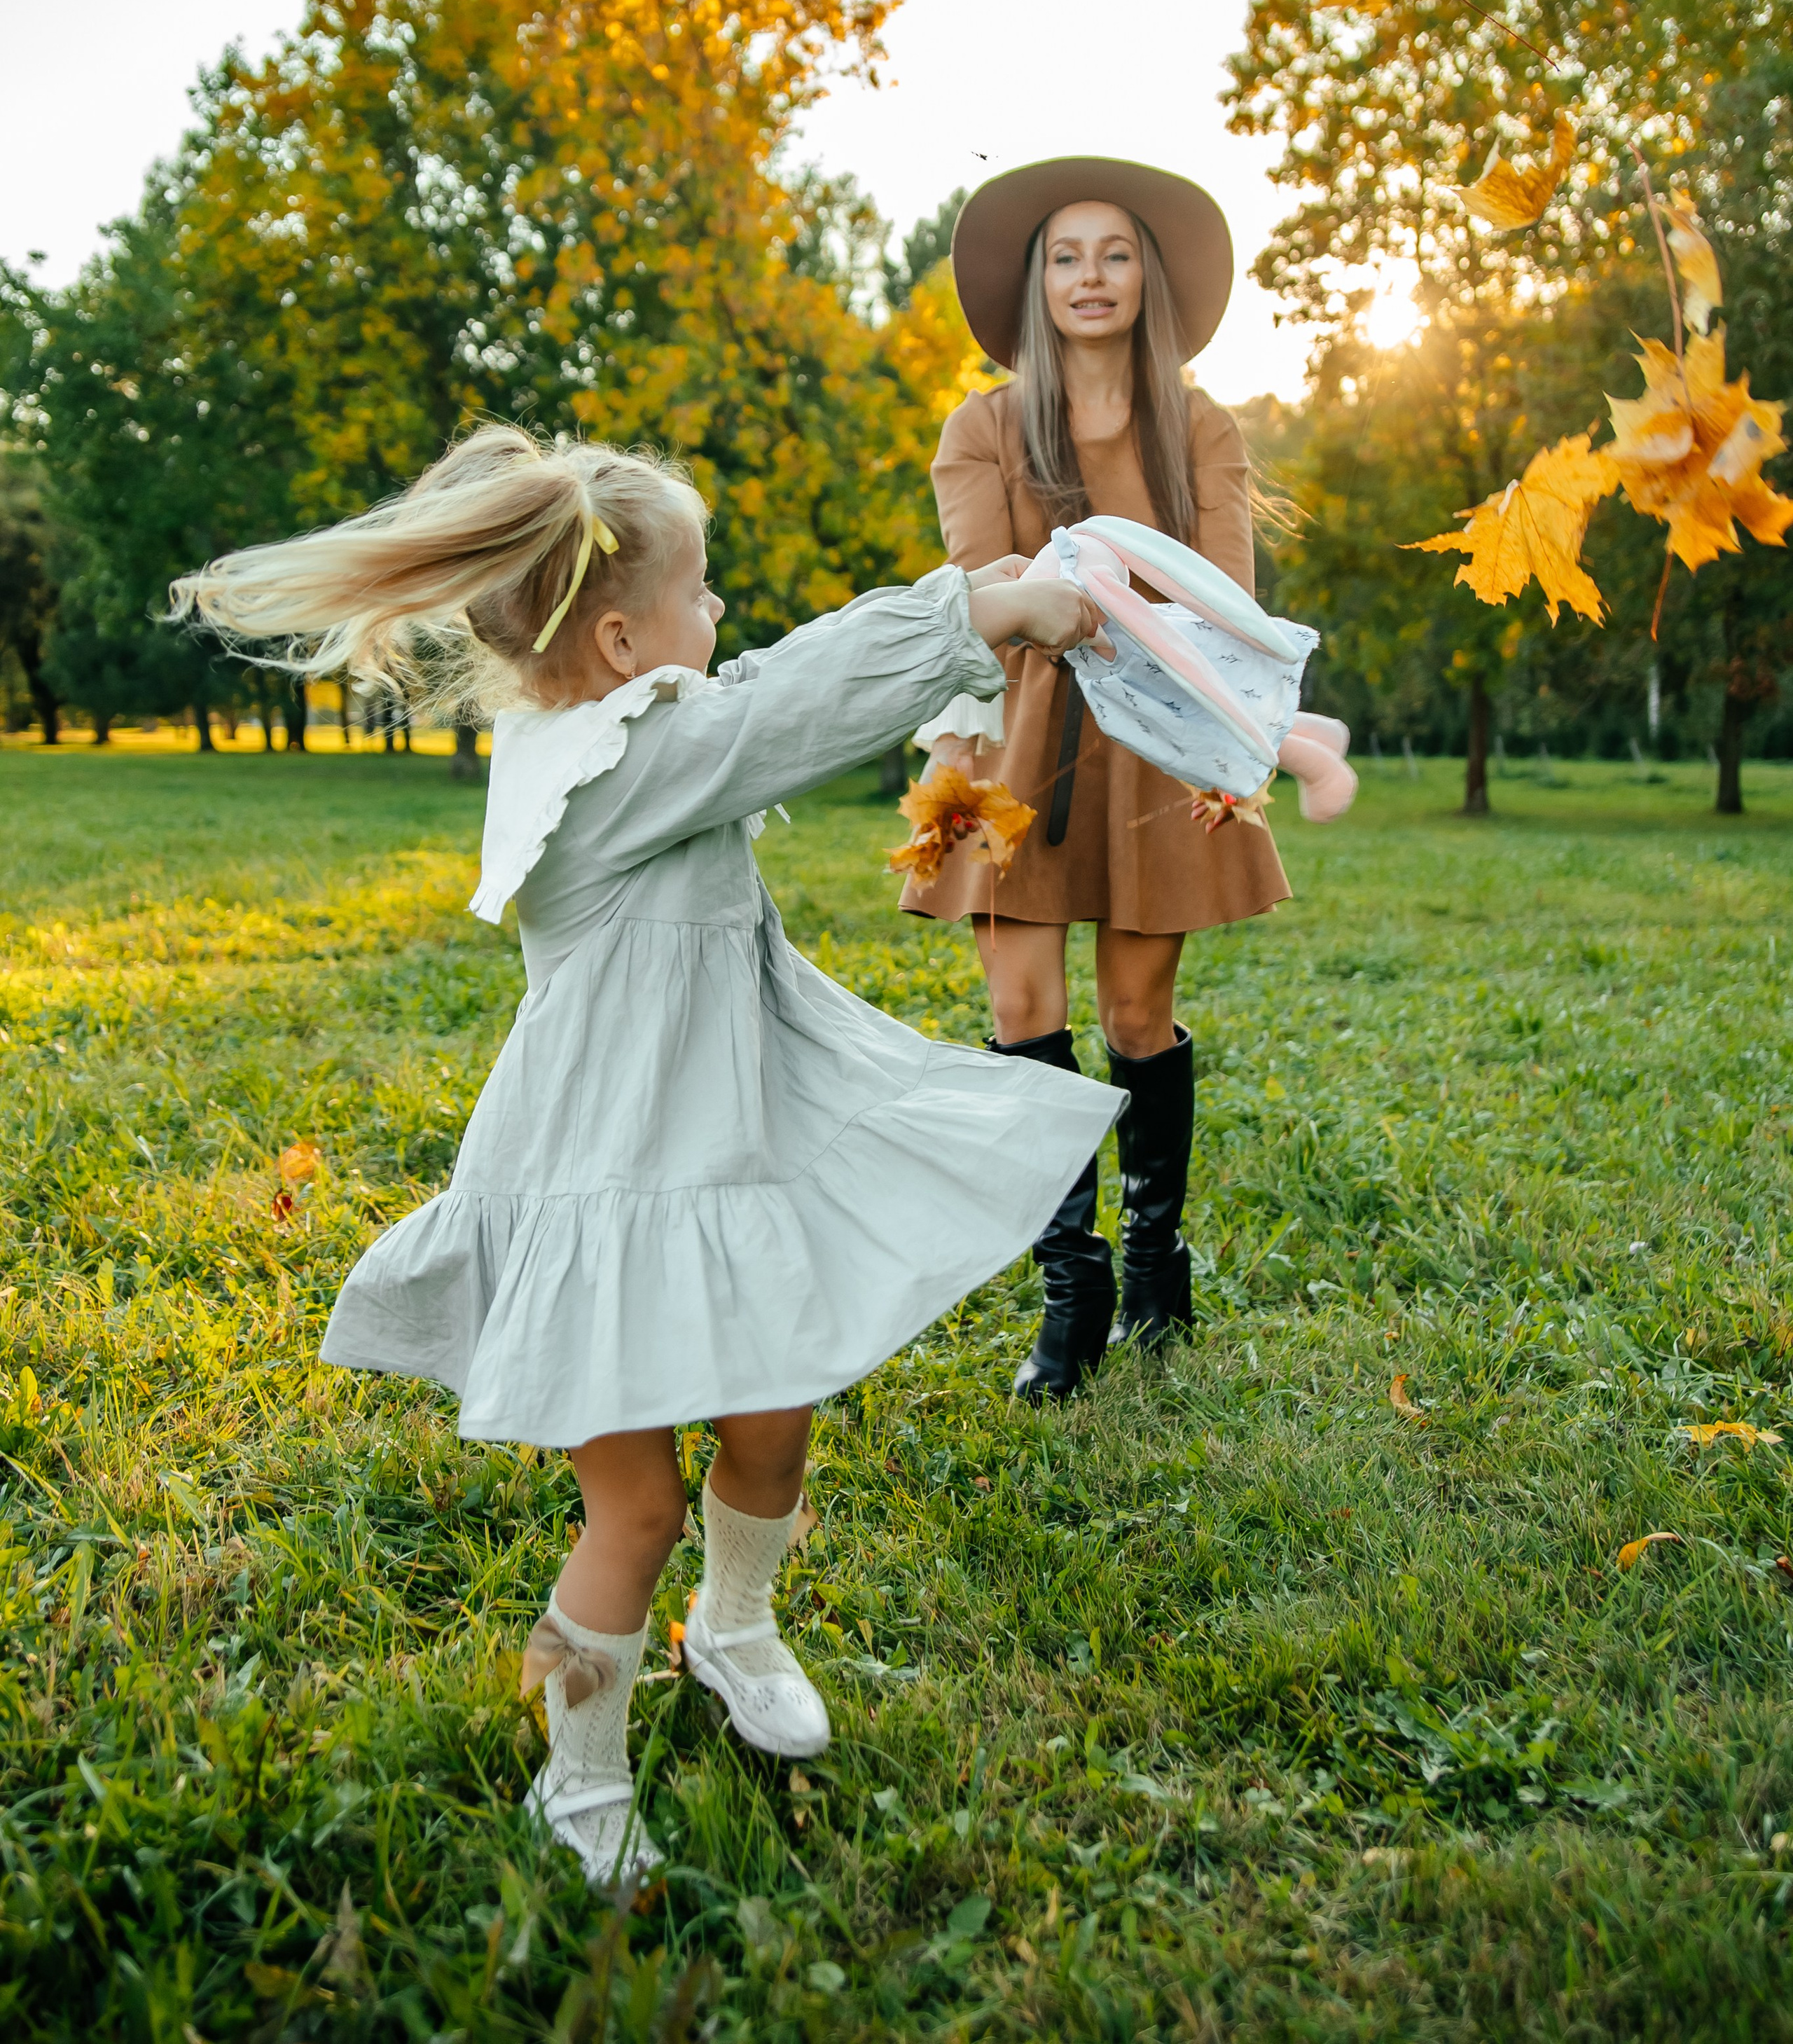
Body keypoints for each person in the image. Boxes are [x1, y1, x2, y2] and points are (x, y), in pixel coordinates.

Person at [169, 424, 1114, 1892]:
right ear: (618, 641)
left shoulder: (628, 738)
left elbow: (766, 703)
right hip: (600, 1205)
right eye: (704, 590)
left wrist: (977, 630)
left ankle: (733, 1632)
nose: (722, 616)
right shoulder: (611, 770)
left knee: (772, 1435)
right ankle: (582, 1774)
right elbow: (778, 709)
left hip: (724, 1175)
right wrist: (969, 610)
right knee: (636, 1509)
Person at [899, 157, 1289, 1402]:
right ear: (1036, 282)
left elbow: (1219, 585)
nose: (1090, 278)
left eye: (1114, 254)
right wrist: (1080, 588)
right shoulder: (985, 425)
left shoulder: (1202, 426)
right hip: (1012, 727)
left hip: (1155, 731)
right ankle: (1073, 1294)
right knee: (1023, 1007)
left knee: (1132, 1017)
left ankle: (1157, 1252)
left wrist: (1110, 591)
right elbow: (991, 581)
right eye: (1066, 256)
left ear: (1148, 279)